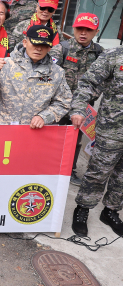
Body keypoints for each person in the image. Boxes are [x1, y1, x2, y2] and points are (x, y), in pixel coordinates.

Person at [69, 45, 123, 238]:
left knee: (121, 177)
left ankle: (110, 211)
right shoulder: (114, 55)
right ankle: (83, 209)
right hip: (112, 129)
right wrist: (77, 108)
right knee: (98, 173)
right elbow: (88, 83)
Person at [0, 25, 71, 126]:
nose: (39, 48)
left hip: (35, 132)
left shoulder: (57, 72)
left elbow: (64, 102)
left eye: (44, 45)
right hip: (4, 129)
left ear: (50, 48)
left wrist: (45, 117)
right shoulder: (6, 64)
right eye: (35, 43)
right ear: (25, 43)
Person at [50, 13, 104, 186]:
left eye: (88, 30)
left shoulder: (100, 54)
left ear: (96, 31)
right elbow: (48, 76)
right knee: (52, 137)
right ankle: (49, 167)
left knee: (74, 140)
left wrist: (91, 98)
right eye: (80, 28)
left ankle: (69, 170)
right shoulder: (61, 49)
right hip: (59, 104)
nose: (83, 33)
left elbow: (103, 81)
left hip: (83, 108)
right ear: (73, 29)